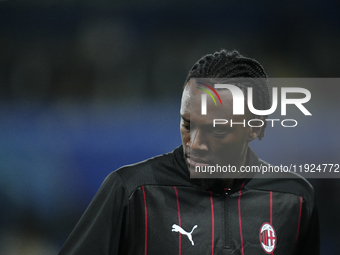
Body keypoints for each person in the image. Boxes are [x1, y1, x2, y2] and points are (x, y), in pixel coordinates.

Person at [58, 50, 319, 255]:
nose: (194, 144)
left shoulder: (294, 200)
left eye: (216, 131)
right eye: (187, 124)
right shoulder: (133, 192)